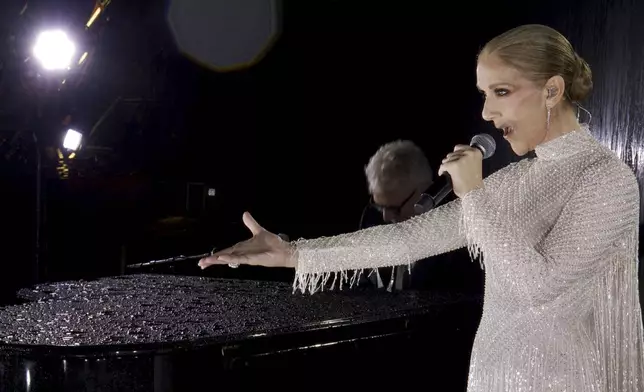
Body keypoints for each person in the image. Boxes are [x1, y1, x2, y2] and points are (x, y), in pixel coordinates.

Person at [199, 24, 644, 391]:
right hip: (492, 376)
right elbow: (409, 237)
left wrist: (473, 194)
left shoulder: (605, 179)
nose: (487, 112)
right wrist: (292, 253)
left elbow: (540, 287)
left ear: (552, 90)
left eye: (501, 91)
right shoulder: (514, 181)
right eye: (483, 94)